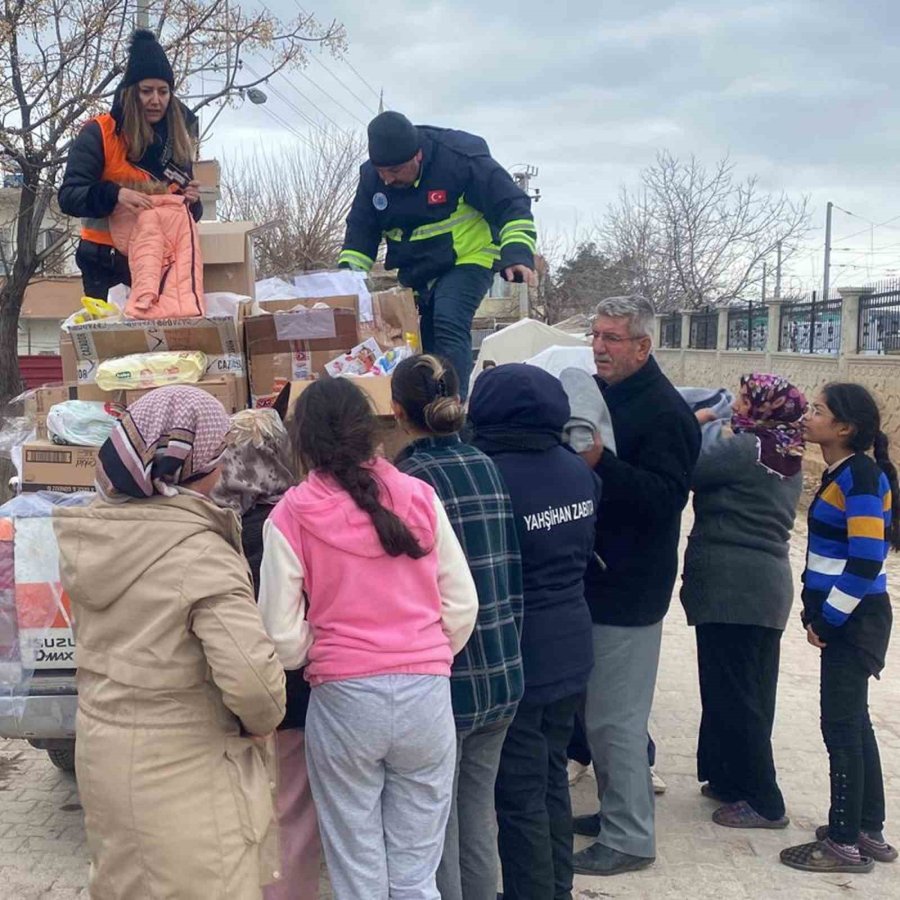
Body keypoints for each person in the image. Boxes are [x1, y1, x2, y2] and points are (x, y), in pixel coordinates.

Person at [52, 387, 286, 899]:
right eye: (218, 454)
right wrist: (260, 726)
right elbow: (255, 687)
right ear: (191, 465)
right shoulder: (199, 553)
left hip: (106, 759)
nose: (225, 467)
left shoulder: (90, 537)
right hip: (188, 778)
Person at [257, 377, 478, 900]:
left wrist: (333, 646)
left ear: (302, 439)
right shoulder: (420, 495)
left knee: (357, 868)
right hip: (427, 696)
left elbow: (281, 637)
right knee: (416, 871)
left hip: (345, 703)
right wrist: (421, 647)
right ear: (371, 430)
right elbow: (462, 604)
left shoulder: (291, 513)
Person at [572, 295, 701, 876]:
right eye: (595, 335)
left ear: (643, 346)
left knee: (615, 719)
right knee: (600, 714)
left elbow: (666, 499)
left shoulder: (664, 412)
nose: (598, 346)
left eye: (612, 338)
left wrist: (602, 464)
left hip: (631, 587)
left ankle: (629, 838)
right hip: (602, 578)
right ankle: (617, 811)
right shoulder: (611, 394)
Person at [391, 354, 524, 900]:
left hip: (447, 681)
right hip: (503, 672)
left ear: (397, 412)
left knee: (434, 823)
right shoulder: (484, 463)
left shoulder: (406, 480)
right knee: (475, 813)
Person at [469, 363, 601, 900]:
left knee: (519, 791)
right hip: (571, 643)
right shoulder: (576, 470)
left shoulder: (490, 475)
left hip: (520, 653)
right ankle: (556, 887)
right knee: (550, 780)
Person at [781, 383, 899, 874]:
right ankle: (868, 829)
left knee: (841, 725)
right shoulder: (842, 472)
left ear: (845, 428)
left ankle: (844, 844)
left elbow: (868, 557)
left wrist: (829, 618)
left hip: (855, 619)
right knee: (854, 719)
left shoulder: (863, 479)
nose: (807, 416)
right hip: (847, 618)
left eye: (818, 410)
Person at [338, 110, 536, 398]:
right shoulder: (373, 178)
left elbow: (512, 203)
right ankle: (428, 414)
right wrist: (346, 283)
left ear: (418, 155)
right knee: (421, 340)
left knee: (448, 318)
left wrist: (517, 252)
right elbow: (360, 233)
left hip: (469, 257)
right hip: (418, 268)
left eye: (394, 172)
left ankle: (452, 410)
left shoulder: (458, 159)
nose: (388, 180)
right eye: (382, 172)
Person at [681, 373, 806, 830]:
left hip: (732, 585)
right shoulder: (788, 453)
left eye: (745, 397)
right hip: (765, 587)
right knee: (750, 689)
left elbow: (689, 465)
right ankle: (730, 778)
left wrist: (706, 418)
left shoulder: (746, 448)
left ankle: (764, 799)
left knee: (734, 694)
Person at [212, 409, 321, 900]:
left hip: (230, 699)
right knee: (294, 812)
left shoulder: (215, 531)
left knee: (241, 814)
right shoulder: (296, 517)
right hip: (295, 697)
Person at [58, 29, 202, 300]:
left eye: (163, 91)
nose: (156, 100)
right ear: (131, 93)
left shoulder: (178, 142)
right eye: (146, 91)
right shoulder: (99, 133)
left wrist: (192, 203)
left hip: (161, 265)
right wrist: (115, 194)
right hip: (105, 267)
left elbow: (186, 217)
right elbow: (68, 197)